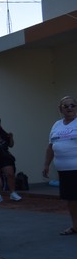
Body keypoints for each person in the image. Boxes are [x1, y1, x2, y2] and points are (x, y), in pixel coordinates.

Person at [43, 96, 77, 235]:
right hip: (64, 170)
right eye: (66, 106)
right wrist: (46, 165)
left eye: (72, 105)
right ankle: (75, 226)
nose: (69, 108)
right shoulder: (57, 125)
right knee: (71, 200)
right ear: (60, 109)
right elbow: (51, 147)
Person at [0, 115, 22, 203]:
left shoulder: (3, 133)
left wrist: (11, 137)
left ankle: (13, 193)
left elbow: (11, 145)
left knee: (10, 173)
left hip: (5, 155)